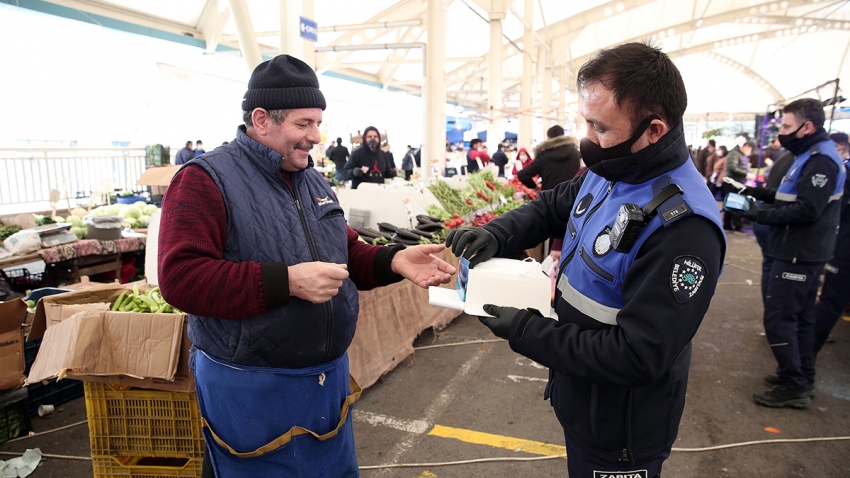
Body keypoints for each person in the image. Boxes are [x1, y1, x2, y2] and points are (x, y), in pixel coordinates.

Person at [157, 54, 456, 478]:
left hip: (325, 380)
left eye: (318, 122)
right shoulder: (205, 179)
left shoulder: (311, 179)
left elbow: (345, 252)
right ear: (262, 120)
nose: (316, 135)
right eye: (304, 124)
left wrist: (393, 260)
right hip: (251, 385)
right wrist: (287, 282)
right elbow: (180, 278)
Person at [446, 42, 725, 477]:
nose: (589, 141)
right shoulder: (613, 167)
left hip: (619, 429)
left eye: (601, 128)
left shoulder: (683, 229)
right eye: (586, 124)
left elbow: (637, 355)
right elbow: (554, 206)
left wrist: (526, 330)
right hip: (582, 398)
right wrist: (497, 231)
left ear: (654, 130)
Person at [726, 98, 846, 409]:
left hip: (798, 253)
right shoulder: (808, 155)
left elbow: (807, 209)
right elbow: (787, 195)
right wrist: (752, 192)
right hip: (801, 252)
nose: (782, 131)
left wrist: (757, 215)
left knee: (779, 319)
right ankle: (800, 376)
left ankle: (794, 384)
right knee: (803, 320)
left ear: (808, 126)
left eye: (787, 126)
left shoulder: (820, 160)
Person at [812, 132, 850, 360]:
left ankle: (804, 359)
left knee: (830, 302)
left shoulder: (843, 172)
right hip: (841, 246)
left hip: (844, 249)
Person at [517, 125, 581, 191]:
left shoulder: (544, 155)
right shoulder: (575, 153)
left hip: (550, 197)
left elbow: (522, 175)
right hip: (573, 195)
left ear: (548, 138)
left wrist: (535, 187)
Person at [723, 141, 755, 231]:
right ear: (746, 146)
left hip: (737, 182)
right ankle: (737, 226)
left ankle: (728, 225)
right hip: (732, 182)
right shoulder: (734, 154)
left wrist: (749, 174)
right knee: (735, 203)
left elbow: (744, 168)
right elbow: (732, 168)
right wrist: (745, 175)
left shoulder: (741, 155)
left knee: (730, 204)